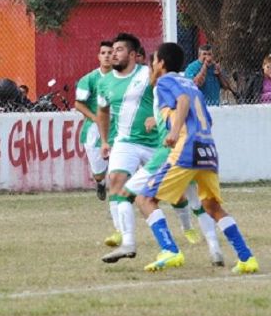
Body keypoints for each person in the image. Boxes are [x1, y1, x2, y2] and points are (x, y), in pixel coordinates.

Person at [135, 42, 258, 273]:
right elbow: (206, 119)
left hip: (187, 148)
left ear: (161, 63)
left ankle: (170, 250)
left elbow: (181, 102)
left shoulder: (165, 82)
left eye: (153, 62)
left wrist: (173, 132)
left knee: (145, 200)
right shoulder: (191, 84)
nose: (151, 66)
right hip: (208, 149)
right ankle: (246, 257)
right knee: (212, 206)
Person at [97, 33, 158, 263]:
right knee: (117, 184)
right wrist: (105, 140)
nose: (114, 53)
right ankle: (128, 243)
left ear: (133, 55)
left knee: (179, 193)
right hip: (125, 143)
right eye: (112, 50)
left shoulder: (147, 73)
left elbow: (168, 94)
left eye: (119, 49)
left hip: (155, 143)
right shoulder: (105, 82)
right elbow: (102, 112)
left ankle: (190, 226)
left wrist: (160, 118)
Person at [74, 41, 112, 205]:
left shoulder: (123, 78)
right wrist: (96, 118)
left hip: (118, 128)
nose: (107, 56)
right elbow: (78, 104)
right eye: (103, 53)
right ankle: (100, 183)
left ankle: (122, 200)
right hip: (94, 131)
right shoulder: (89, 79)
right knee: (99, 172)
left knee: (120, 168)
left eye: (110, 53)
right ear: (98, 57)